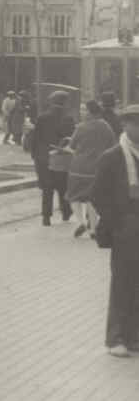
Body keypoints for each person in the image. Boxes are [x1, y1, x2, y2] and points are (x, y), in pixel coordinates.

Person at [89, 103, 139, 357]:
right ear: (125, 125)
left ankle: (134, 336)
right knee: (122, 282)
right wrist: (117, 222)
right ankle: (116, 338)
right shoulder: (112, 157)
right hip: (126, 227)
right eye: (136, 123)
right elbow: (97, 194)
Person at [66, 101, 117, 239]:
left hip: (79, 167)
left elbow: (72, 146)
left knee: (73, 196)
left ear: (90, 112)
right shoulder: (106, 127)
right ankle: (93, 229)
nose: (81, 112)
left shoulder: (81, 127)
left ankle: (81, 222)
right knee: (91, 199)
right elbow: (113, 146)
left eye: (84, 109)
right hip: (97, 168)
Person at [29, 89, 75, 225]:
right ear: (64, 103)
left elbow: (35, 138)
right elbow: (71, 139)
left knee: (47, 188)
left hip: (43, 158)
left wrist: (34, 155)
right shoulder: (68, 118)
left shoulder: (42, 117)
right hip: (61, 158)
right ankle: (66, 212)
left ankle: (46, 217)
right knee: (63, 187)